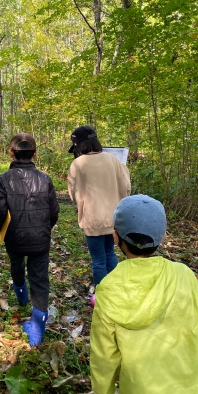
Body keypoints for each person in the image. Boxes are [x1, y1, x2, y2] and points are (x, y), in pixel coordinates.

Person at [90, 195, 198, 394]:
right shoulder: (183, 275)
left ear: (115, 237)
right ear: (163, 236)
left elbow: (103, 353)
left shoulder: (109, 288)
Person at [0, 133, 59, 347]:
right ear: (35, 153)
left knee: (16, 265)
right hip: (40, 239)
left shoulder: (3, 179)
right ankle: (37, 333)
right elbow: (54, 211)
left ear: (11, 153)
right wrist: (45, 228)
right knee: (40, 280)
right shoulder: (45, 179)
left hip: (14, 237)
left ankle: (21, 297)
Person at [67, 125, 131, 304]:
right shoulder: (113, 160)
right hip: (114, 219)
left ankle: (103, 298)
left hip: (91, 219)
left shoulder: (77, 164)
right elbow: (126, 186)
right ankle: (116, 293)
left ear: (78, 145)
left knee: (98, 260)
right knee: (110, 253)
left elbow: (73, 193)